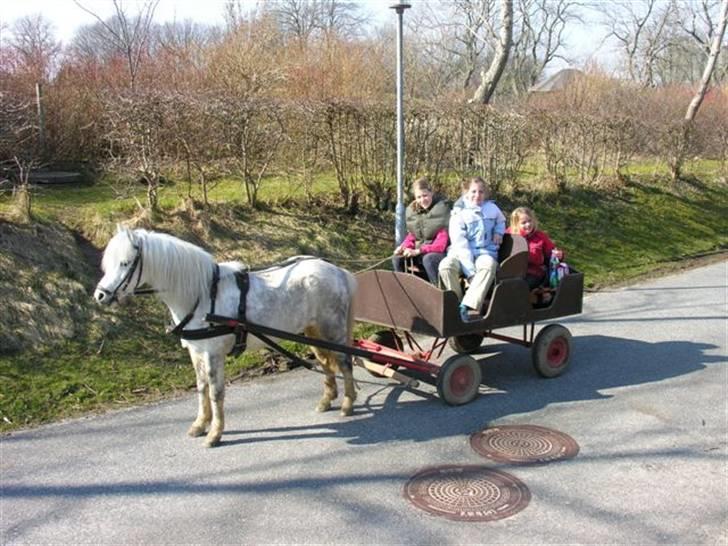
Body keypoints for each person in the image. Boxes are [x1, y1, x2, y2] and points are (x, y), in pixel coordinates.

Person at [438, 176, 506, 322]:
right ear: (466, 193)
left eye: (481, 192)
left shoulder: (492, 208)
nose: (477, 195)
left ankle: (467, 306)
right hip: (460, 253)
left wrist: (498, 232)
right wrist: (470, 273)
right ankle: (456, 304)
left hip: (485, 251)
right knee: (445, 266)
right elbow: (461, 246)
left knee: (489, 265)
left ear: (485, 193)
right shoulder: (459, 214)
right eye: (473, 191)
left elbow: (501, 221)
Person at [392, 177, 451, 284]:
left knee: (428, 260)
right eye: (418, 197)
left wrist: (418, 251)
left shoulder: (443, 211)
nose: (422, 200)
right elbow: (412, 236)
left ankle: (437, 288)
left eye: (425, 195)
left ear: (431, 193)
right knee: (397, 259)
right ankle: (405, 287)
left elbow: (441, 245)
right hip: (419, 252)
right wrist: (403, 247)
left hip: (437, 253)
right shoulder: (414, 211)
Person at [506, 206, 564, 289]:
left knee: (521, 286)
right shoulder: (510, 235)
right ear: (516, 224)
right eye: (524, 223)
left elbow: (552, 252)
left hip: (534, 272)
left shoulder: (540, 236)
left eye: (530, 221)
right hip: (513, 271)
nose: (528, 224)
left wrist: (559, 255)